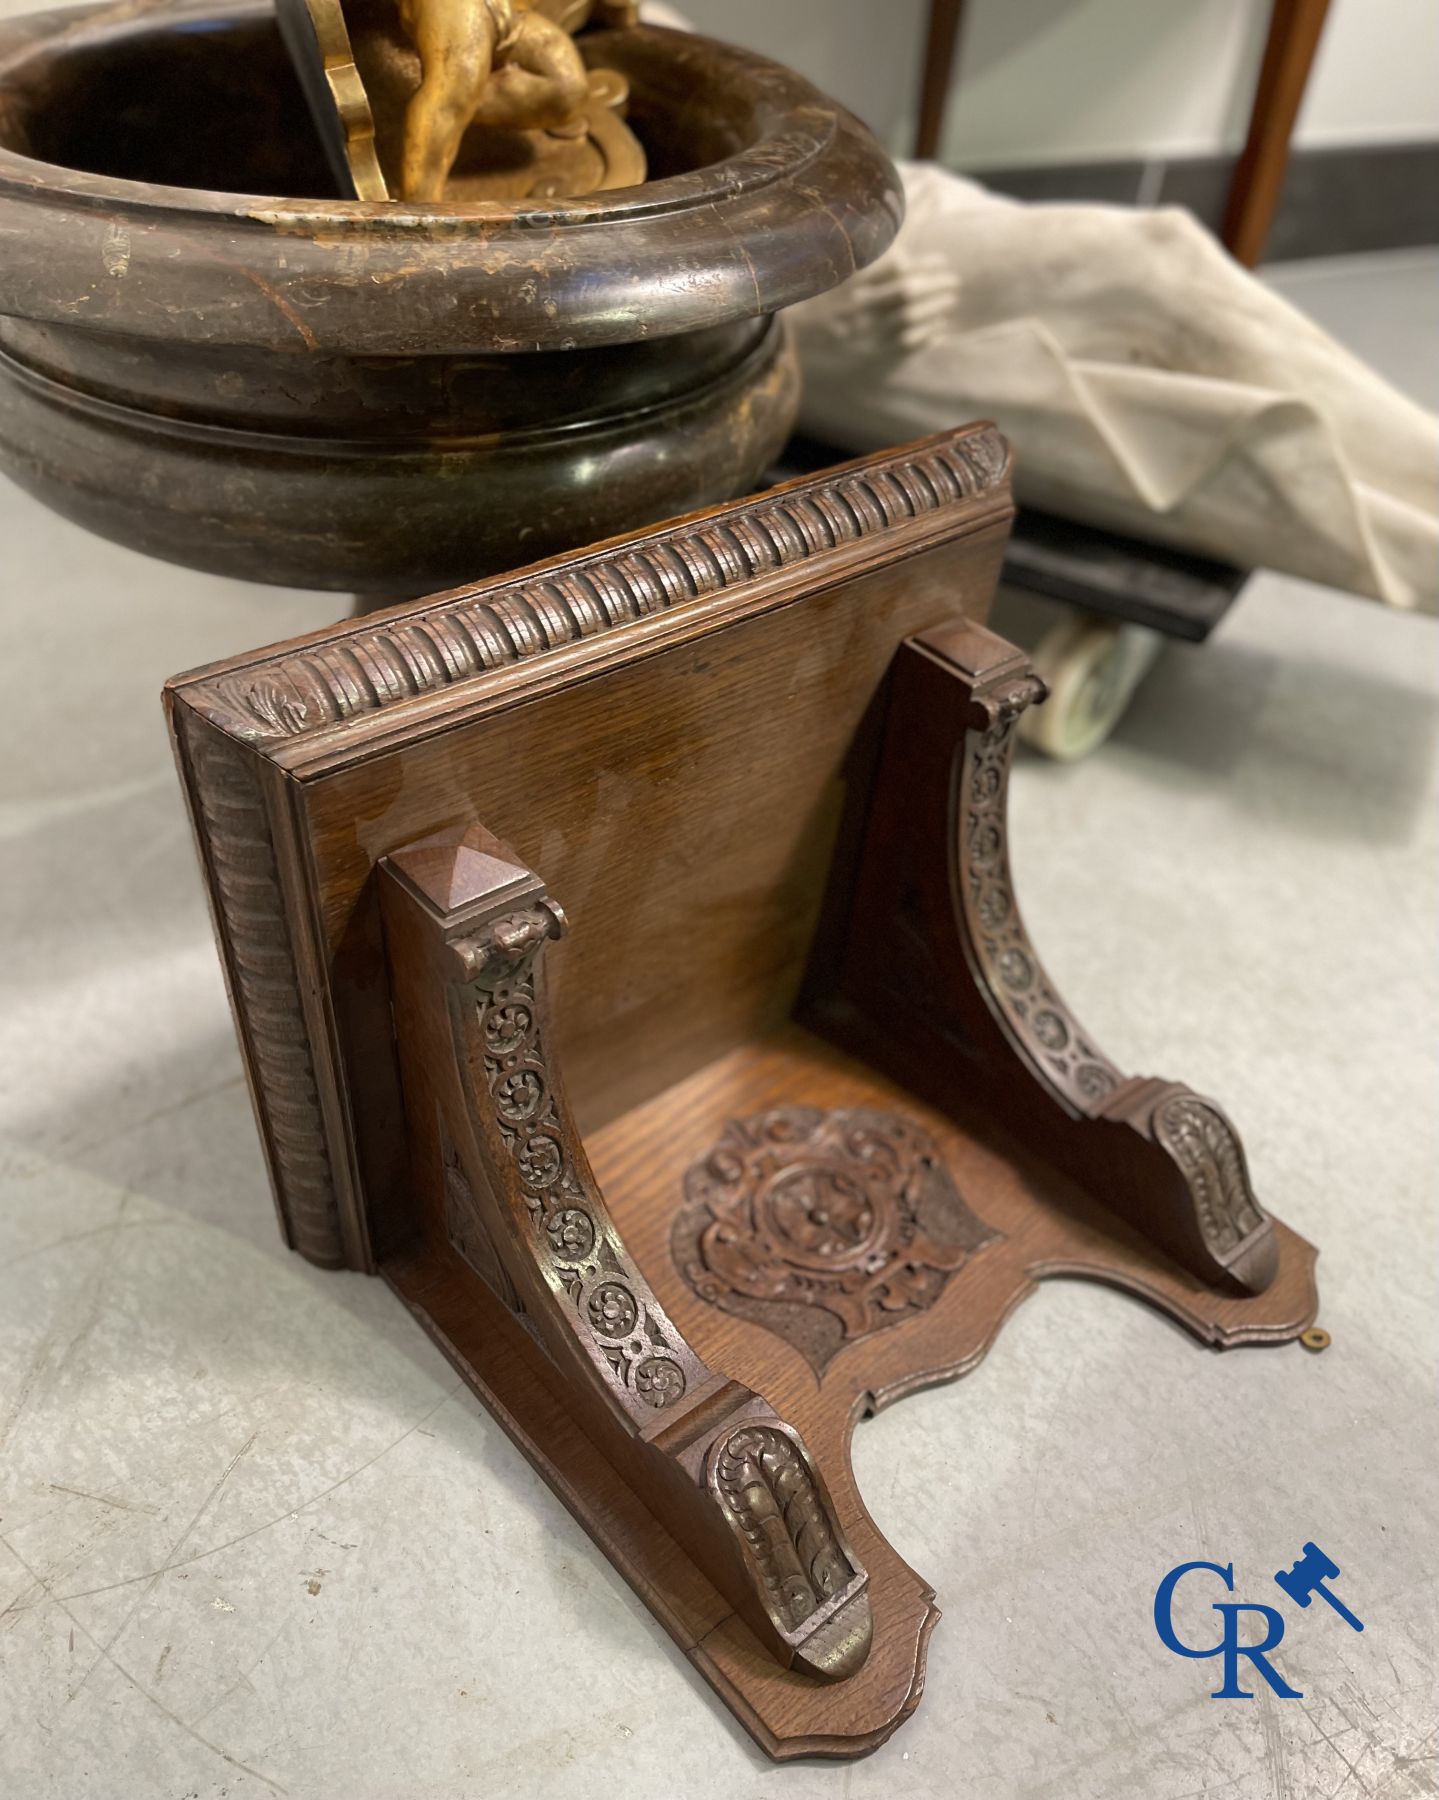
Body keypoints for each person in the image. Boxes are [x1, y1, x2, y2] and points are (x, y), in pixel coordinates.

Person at [399, 0, 589, 200]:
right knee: (457, 88)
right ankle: (420, 214)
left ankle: (423, 123)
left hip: (508, 8)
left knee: (568, 88)